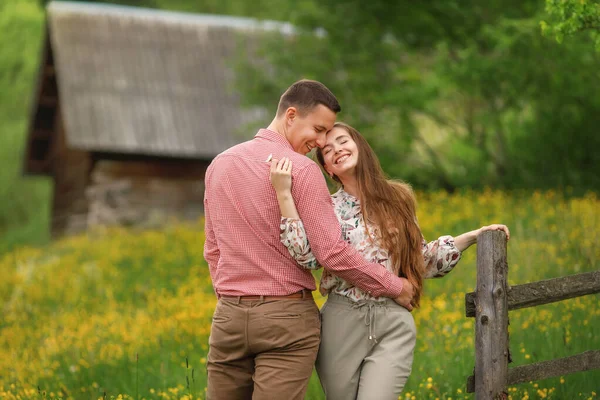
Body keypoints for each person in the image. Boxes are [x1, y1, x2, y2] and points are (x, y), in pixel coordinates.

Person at [203, 80, 416, 400]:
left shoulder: (220, 164)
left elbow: (213, 249)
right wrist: (395, 286)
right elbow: (331, 253)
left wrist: (232, 298)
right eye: (317, 130)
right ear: (291, 115)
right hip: (286, 320)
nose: (319, 142)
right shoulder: (303, 170)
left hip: (228, 318)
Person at [269, 121, 510, 400]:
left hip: (393, 321)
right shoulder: (325, 207)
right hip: (340, 322)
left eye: (343, 141)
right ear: (327, 169)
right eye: (328, 150)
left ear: (360, 146)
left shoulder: (398, 198)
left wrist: (472, 236)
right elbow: (308, 258)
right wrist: (284, 196)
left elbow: (422, 259)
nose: (337, 150)